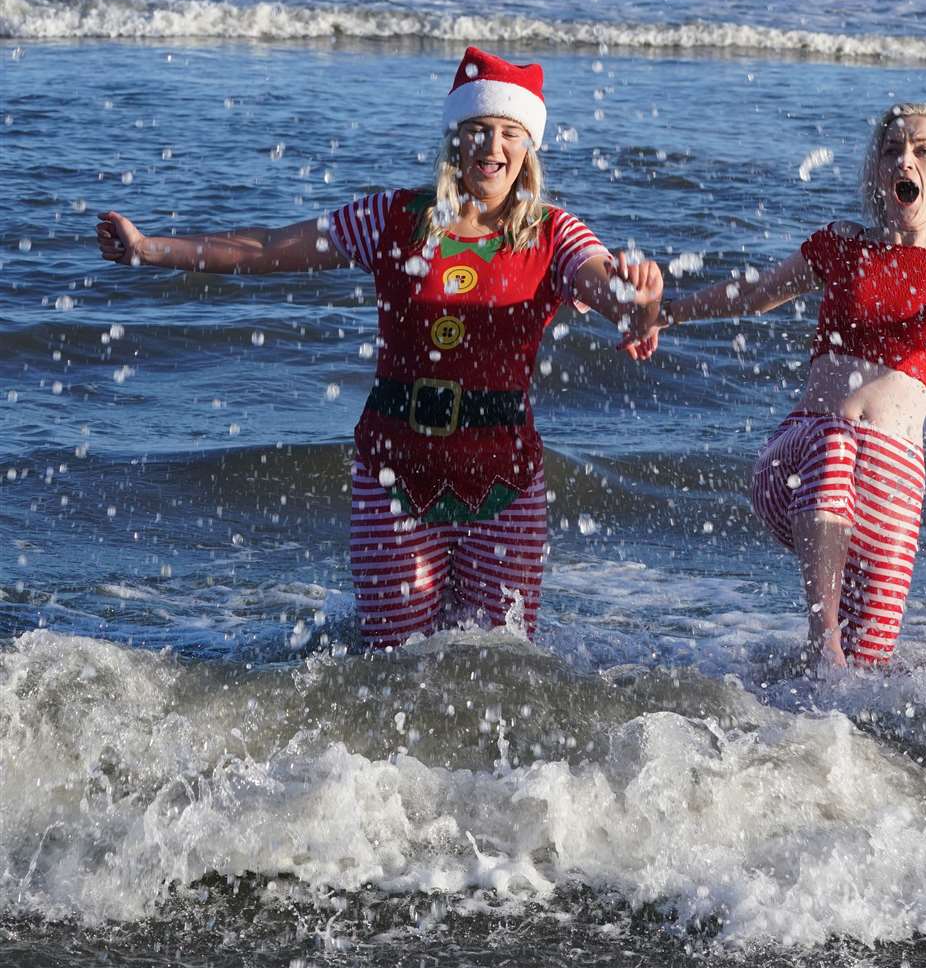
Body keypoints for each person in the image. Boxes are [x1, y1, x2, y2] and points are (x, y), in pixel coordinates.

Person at [95, 46, 664, 649]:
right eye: (477, 130)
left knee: (501, 667)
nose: (491, 148)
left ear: (528, 148)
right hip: (393, 474)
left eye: (507, 133)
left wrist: (638, 304)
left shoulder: (554, 233)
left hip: (504, 483)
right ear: (455, 139)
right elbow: (267, 248)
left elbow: (604, 285)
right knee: (389, 665)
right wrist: (149, 249)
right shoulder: (392, 218)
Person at [644, 103, 926, 669]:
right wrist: (668, 313)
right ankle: (823, 636)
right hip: (800, 460)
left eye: (921, 150)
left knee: (865, 680)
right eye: (891, 150)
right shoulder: (844, 245)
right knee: (838, 444)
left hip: (892, 483)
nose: (903, 160)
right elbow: (757, 292)